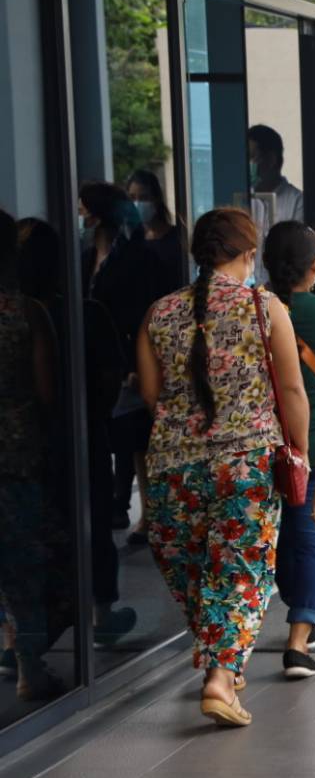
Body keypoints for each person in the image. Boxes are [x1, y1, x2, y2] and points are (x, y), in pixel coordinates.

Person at [136, 207, 311, 727]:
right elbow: (292, 389)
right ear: (248, 253)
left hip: (172, 467)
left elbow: (150, 395)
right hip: (246, 465)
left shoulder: (158, 312)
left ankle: (224, 666)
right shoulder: (265, 306)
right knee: (240, 571)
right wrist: (299, 449)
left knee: (195, 573)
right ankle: (219, 677)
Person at [17, 218, 136, 649]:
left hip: (26, 448)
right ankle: (100, 613)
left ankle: (20, 634)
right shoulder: (85, 313)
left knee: (28, 536)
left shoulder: (19, 315)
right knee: (94, 526)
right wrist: (93, 418)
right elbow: (110, 378)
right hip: (83, 438)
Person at [263, 221, 315, 679]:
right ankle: (299, 638)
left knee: (278, 535)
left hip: (262, 444)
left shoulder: (254, 309)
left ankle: (297, 606)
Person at [0, 210, 75, 702]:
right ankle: (28, 664)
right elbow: (49, 392)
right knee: (25, 563)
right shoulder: (27, 313)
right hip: (19, 454)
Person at [80, 181, 159, 546]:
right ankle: (119, 502)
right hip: (93, 359)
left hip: (125, 357)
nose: (80, 215)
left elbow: (137, 310)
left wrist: (135, 362)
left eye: (84, 208)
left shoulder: (133, 257)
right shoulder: (84, 255)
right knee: (117, 435)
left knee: (135, 436)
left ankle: (148, 513)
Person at [248, 124, 305, 288]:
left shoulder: (297, 201)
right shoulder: (244, 200)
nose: (247, 163)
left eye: (252, 156)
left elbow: (296, 253)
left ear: (271, 160)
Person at [127, 168, 188, 298]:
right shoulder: (133, 239)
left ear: (157, 199)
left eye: (144, 198)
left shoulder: (177, 238)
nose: (137, 204)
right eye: (132, 198)